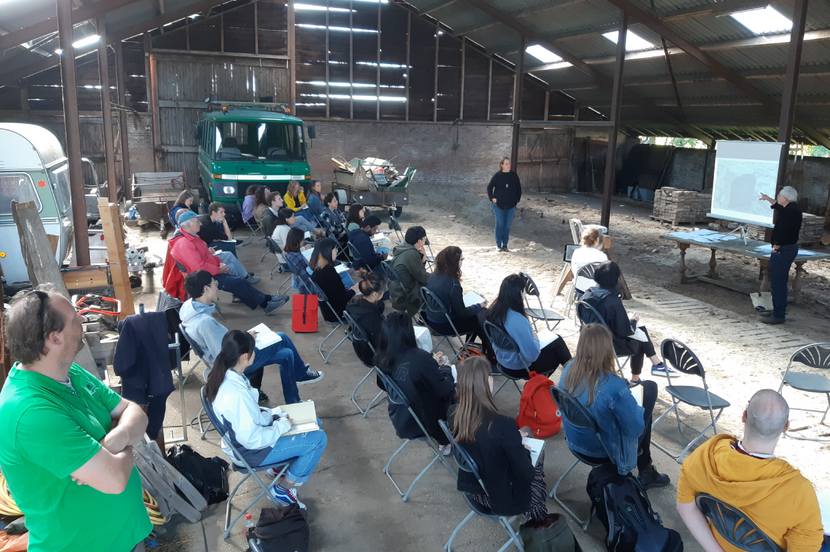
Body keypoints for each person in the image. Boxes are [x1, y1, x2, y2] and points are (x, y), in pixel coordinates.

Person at [0, 288, 152, 552]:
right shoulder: (30, 412)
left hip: (125, 533)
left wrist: (119, 438)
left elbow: (134, 412)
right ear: (54, 338)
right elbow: (114, 479)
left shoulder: (70, 373)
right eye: (74, 318)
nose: (82, 320)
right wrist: (128, 446)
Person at [677, 389, 826, 552]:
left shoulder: (705, 456)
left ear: (744, 416)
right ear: (786, 427)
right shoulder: (799, 491)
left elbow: (685, 507)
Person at [206, 330, 327, 509]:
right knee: (318, 439)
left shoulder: (230, 376)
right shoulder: (235, 394)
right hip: (250, 451)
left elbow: (251, 415)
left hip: (247, 440)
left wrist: (273, 415)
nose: (257, 353)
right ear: (245, 356)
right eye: (255, 350)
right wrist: (281, 425)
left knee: (315, 422)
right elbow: (252, 439)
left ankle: (278, 468)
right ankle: (283, 489)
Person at [181, 270, 322, 404]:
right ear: (206, 289)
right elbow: (225, 353)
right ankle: (299, 378)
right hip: (233, 364)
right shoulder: (205, 323)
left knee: (287, 354)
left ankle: (294, 399)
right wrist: (247, 341)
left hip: (229, 355)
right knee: (282, 338)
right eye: (214, 283)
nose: (217, 286)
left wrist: (245, 336)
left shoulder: (190, 308)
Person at [559, 323, 670, 489]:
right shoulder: (615, 387)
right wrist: (636, 407)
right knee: (649, 392)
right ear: (608, 348)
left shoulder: (569, 368)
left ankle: (647, 469)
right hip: (604, 451)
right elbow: (636, 430)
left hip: (575, 441)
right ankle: (646, 469)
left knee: (644, 404)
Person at [451, 356, 548, 523]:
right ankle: (540, 523)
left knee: (524, 431)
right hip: (502, 498)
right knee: (537, 456)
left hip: (475, 490)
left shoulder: (453, 414)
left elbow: (484, 438)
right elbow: (527, 474)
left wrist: (513, 438)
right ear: (487, 381)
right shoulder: (503, 424)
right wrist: (520, 449)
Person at [171, 211, 288, 315]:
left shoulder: (193, 238)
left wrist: (219, 263)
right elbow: (198, 267)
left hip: (206, 273)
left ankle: (265, 300)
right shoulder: (184, 244)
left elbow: (208, 255)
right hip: (201, 280)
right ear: (188, 225)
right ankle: (266, 303)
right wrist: (218, 269)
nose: (201, 224)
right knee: (239, 282)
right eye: (197, 221)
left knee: (237, 280)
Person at [581, 261, 675, 382]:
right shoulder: (612, 301)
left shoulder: (588, 293)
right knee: (639, 336)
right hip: (607, 344)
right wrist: (633, 321)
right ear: (615, 279)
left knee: (639, 331)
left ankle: (656, 364)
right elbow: (624, 330)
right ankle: (640, 376)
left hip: (588, 339)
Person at [375, 312, 455, 449]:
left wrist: (431, 364)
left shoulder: (381, 356)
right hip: (426, 419)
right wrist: (446, 370)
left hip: (401, 415)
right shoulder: (419, 357)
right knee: (460, 387)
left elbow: (382, 384)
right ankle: (446, 440)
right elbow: (443, 389)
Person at [486, 274, 571, 378]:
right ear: (520, 292)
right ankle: (572, 377)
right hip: (519, 368)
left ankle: (573, 377)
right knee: (557, 346)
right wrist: (535, 339)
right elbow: (531, 356)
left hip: (502, 361)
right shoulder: (518, 320)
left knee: (556, 342)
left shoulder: (493, 312)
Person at [425, 246, 491, 357]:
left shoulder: (434, 275)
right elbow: (462, 313)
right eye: (461, 259)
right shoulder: (453, 283)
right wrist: (479, 306)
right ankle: (489, 353)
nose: (462, 262)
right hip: (445, 324)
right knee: (480, 319)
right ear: (454, 262)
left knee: (476, 316)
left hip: (432, 318)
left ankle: (469, 348)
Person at [758, 186, 802, 325]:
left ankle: (778, 315)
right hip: (788, 249)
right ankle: (778, 310)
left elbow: (783, 232)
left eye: (778, 196)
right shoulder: (793, 209)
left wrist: (775, 248)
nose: (777, 198)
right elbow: (779, 207)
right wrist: (768, 199)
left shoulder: (789, 212)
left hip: (783, 250)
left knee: (778, 284)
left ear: (785, 198)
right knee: (779, 283)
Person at [310, 238, 360, 322]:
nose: (337, 251)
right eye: (335, 249)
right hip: (338, 314)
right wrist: (355, 290)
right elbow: (342, 298)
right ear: (327, 251)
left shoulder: (318, 270)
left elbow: (335, 293)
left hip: (328, 312)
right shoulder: (329, 272)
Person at [345, 272, 387, 365]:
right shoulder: (373, 317)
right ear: (375, 294)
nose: (384, 292)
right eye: (383, 290)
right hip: (372, 356)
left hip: (360, 348)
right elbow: (383, 343)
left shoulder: (354, 301)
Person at [389, 226, 430, 316]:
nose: (425, 241)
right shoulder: (412, 253)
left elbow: (413, 270)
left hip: (397, 289)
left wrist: (422, 261)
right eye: (424, 239)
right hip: (405, 293)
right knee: (434, 288)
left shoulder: (403, 248)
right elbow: (423, 277)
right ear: (419, 241)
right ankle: (427, 317)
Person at [487, 157, 522, 252]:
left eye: (509, 163)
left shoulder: (514, 176)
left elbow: (518, 188)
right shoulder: (497, 176)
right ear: (502, 165)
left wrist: (517, 200)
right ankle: (498, 244)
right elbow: (489, 187)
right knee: (500, 224)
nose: (508, 165)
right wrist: (492, 198)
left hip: (511, 205)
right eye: (506, 164)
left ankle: (505, 244)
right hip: (499, 205)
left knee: (507, 225)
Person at [571, 227, 607, 294]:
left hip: (579, 287)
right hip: (596, 288)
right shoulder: (602, 256)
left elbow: (574, 270)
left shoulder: (576, 252)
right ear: (597, 240)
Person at [283, 227, 314, 295]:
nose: (304, 242)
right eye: (302, 240)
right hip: (308, 286)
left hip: (299, 283)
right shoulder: (297, 256)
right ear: (297, 241)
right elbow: (307, 277)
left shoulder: (290, 254)